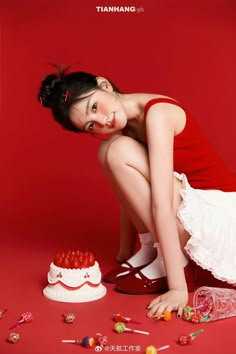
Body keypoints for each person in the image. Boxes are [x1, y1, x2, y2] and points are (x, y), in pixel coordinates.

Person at [38, 67, 236, 318]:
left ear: (104, 85)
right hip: (191, 205)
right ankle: (150, 248)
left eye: (95, 107)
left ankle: (173, 264)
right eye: (91, 125)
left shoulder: (157, 114)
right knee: (109, 149)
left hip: (223, 216)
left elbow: (162, 204)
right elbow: (134, 189)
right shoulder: (125, 126)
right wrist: (126, 251)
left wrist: (178, 288)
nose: (102, 122)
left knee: (116, 149)